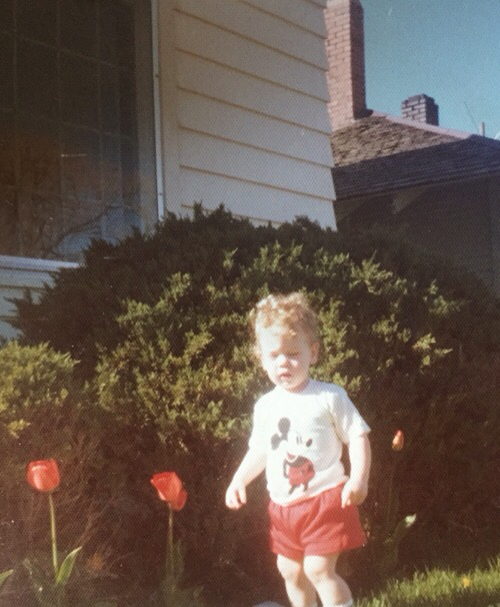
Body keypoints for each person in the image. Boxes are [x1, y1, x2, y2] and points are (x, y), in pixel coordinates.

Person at [225, 292, 371, 607]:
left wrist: (359, 479)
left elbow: (357, 435)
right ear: (262, 360)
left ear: (312, 353)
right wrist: (239, 479)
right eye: (274, 355)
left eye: (293, 354)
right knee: (290, 570)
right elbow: (260, 450)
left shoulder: (328, 397)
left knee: (318, 568)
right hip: (283, 508)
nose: (283, 362)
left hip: (324, 500)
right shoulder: (266, 406)